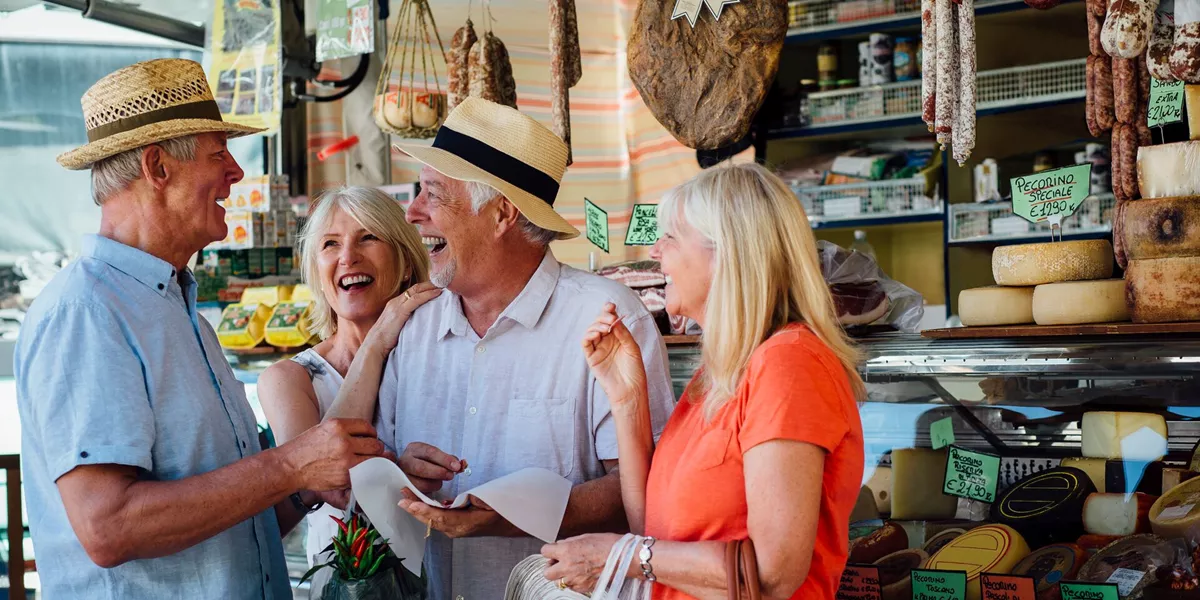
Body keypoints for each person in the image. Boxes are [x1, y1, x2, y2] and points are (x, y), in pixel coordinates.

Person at [14, 58, 387, 599]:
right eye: (219, 154)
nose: (236, 172)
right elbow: (109, 526)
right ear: (158, 167)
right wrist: (290, 464)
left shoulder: (176, 309)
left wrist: (309, 481)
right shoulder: (86, 314)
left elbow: (232, 519)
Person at [323, 97, 677, 600]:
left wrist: (511, 517)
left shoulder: (607, 318)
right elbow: (361, 478)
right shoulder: (414, 327)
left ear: (501, 214)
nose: (413, 212)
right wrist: (400, 472)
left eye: (434, 195)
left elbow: (646, 491)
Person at [541, 162, 867, 599]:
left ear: (726, 253)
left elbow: (772, 574)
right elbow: (652, 530)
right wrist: (628, 398)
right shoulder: (720, 373)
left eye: (671, 237)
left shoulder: (789, 364)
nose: (656, 252)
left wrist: (616, 555)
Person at [257, 185, 441, 596]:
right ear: (317, 273)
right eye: (330, 244)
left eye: (368, 237)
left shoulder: (438, 356)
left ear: (406, 263)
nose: (347, 257)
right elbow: (332, 482)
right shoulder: (291, 379)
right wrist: (375, 343)